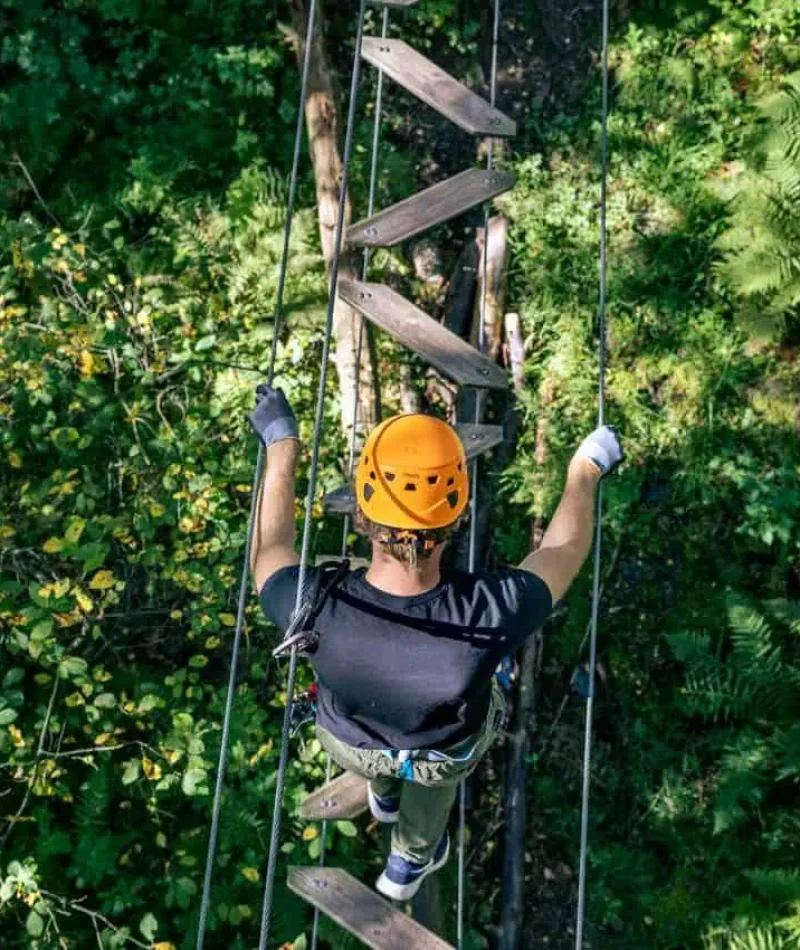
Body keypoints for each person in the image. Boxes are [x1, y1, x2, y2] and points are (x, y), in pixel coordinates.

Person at [249, 386, 623, 901]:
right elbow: (564, 547)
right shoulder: (493, 610)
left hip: (351, 741)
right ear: (456, 514)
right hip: (441, 748)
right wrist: (586, 468)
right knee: (437, 768)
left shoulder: (309, 603)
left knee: (381, 755)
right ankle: (410, 860)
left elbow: (271, 548)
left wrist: (281, 442)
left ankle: (381, 798)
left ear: (362, 511)